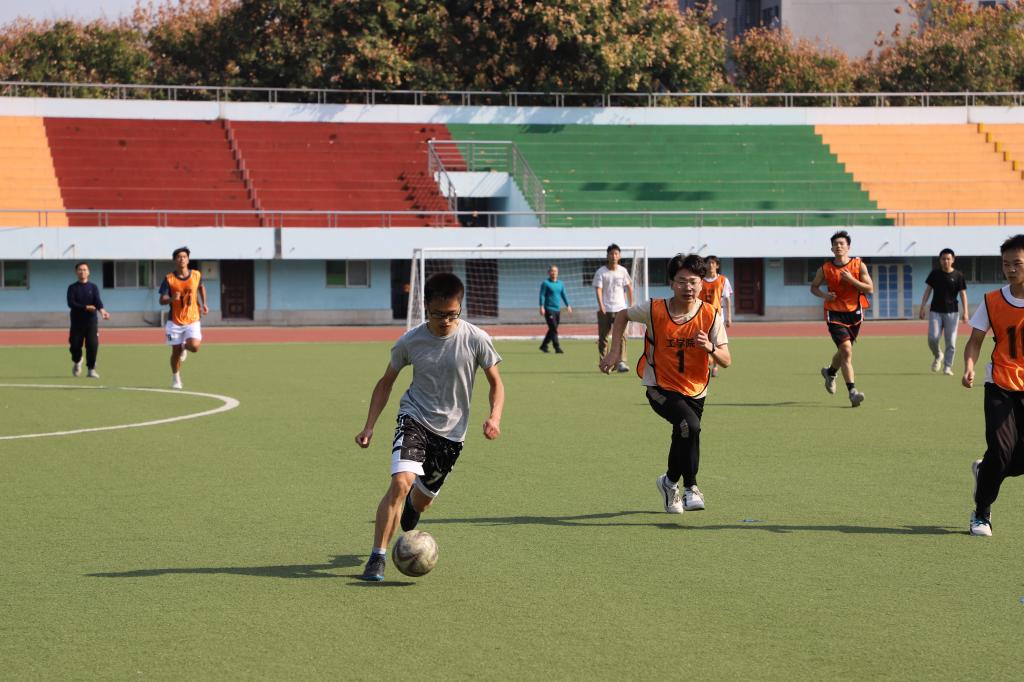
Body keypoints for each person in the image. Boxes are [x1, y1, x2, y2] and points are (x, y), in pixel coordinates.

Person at [355, 272, 504, 581]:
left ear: (460, 308)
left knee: (421, 502)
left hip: (452, 435)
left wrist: (495, 417)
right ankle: (377, 557)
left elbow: (496, 384)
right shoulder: (410, 341)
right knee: (400, 482)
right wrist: (369, 426)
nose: (445, 321)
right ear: (426, 307)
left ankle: (414, 503)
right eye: (438, 314)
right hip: (415, 418)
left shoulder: (476, 339)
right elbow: (386, 383)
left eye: (452, 314)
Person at [599, 253, 730, 515]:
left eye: (693, 281)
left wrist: (710, 347)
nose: (688, 287)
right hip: (659, 386)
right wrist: (614, 352)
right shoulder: (654, 309)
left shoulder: (710, 314)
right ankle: (691, 486)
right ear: (672, 283)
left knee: (685, 433)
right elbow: (622, 315)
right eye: (681, 281)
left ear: (701, 283)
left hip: (696, 389)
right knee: (690, 426)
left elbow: (726, 360)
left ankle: (669, 483)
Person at [962, 234, 1024, 537]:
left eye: (1017, 264)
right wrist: (969, 366)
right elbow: (975, 341)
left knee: (1013, 459)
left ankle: (984, 469)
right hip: (1000, 383)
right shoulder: (992, 301)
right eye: (1006, 264)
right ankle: (981, 513)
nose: (1011, 269)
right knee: (1001, 451)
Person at [810, 230, 874, 407]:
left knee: (844, 351)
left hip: (854, 313)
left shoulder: (858, 265)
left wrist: (851, 280)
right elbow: (813, 287)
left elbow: (870, 288)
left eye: (842, 243)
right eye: (835, 244)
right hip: (834, 313)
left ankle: (830, 372)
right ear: (831, 248)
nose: (838, 246)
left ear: (848, 247)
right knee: (846, 350)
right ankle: (853, 392)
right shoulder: (825, 268)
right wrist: (825, 295)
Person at [158, 246, 207, 390]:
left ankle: (184, 347)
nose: (182, 259)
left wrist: (204, 303)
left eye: (185, 256)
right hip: (175, 321)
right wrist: (172, 298)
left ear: (188, 259)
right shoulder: (169, 279)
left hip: (193, 318)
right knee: (175, 352)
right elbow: (162, 300)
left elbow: (201, 287)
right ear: (175, 260)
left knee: (195, 347)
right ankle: (176, 378)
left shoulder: (196, 275)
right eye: (179, 257)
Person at [919, 248, 969, 375]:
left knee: (951, 342)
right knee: (932, 338)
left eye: (948, 259)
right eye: (943, 259)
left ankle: (947, 367)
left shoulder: (958, 275)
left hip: (952, 312)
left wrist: (966, 312)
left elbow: (963, 294)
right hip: (935, 311)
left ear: (953, 260)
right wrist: (922, 306)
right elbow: (928, 290)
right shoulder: (935, 274)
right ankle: (938, 355)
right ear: (940, 260)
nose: (945, 261)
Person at [593, 243, 634, 372]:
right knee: (603, 338)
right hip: (605, 309)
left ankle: (621, 362)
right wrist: (601, 305)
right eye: (611, 253)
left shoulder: (623, 271)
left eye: (616, 253)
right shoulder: (601, 272)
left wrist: (631, 304)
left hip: (621, 309)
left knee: (622, 336)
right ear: (607, 256)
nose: (614, 256)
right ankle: (604, 363)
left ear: (619, 256)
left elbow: (629, 287)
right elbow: (598, 289)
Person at [66, 262, 110, 378]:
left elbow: (97, 301)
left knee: (92, 345)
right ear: (76, 272)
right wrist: (86, 307)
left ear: (88, 272)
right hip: (77, 322)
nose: (82, 272)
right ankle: (77, 360)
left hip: (91, 321)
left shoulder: (93, 287)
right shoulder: (72, 288)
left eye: (85, 269)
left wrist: (103, 311)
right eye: (80, 270)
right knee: (75, 346)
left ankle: (91, 369)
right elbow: (71, 303)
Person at [699, 255, 733, 377]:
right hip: (702, 316)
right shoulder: (700, 280)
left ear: (717, 265)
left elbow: (727, 299)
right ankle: (706, 363)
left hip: (717, 316)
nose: (711, 265)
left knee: (717, 342)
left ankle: (715, 367)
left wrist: (729, 317)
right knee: (704, 340)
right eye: (708, 263)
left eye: (713, 263)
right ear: (705, 265)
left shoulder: (723, 280)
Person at [539, 265, 572, 353]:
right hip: (548, 309)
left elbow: (563, 294)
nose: (554, 273)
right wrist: (541, 306)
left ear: (558, 273)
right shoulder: (545, 283)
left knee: (552, 329)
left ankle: (544, 345)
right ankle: (557, 347)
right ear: (548, 272)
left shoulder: (560, 284)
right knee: (553, 328)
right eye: (552, 271)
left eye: (555, 271)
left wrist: (568, 305)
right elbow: (542, 295)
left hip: (557, 310)